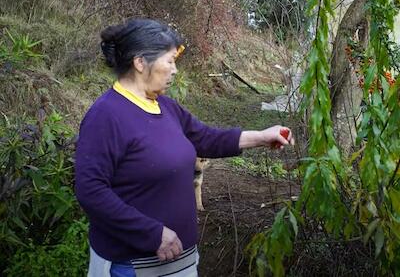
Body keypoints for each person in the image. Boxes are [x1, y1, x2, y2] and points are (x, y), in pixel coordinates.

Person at [74, 18, 294, 277]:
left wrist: (260, 136)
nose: (175, 70)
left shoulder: (166, 107)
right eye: (170, 60)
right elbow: (90, 190)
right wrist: (152, 234)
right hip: (134, 267)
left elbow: (206, 138)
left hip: (180, 262)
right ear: (140, 62)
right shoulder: (106, 115)